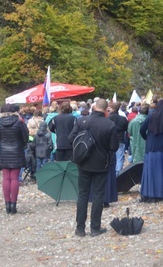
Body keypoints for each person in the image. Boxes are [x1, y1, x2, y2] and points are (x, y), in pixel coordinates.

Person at [70, 98, 118, 237]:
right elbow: (114, 147)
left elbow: (70, 138)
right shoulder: (109, 124)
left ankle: (80, 228)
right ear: (106, 109)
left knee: (83, 195)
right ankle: (95, 228)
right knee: (98, 196)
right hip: (101, 164)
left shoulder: (82, 121)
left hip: (84, 162)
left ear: (94, 107)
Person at [139, 98, 163, 202]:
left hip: (152, 147)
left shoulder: (151, 117)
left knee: (151, 172)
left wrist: (147, 138)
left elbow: (142, 129)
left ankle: (150, 193)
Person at [0, 104, 29, 214]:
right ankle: (13, 205)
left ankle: (7, 205)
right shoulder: (19, 122)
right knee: (14, 178)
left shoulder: (0, 122)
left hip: (4, 151)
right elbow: (25, 137)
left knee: (6, 178)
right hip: (16, 150)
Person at [107, 103, 129, 174]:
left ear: (112, 109)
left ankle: (111, 173)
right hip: (120, 140)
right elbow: (126, 128)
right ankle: (118, 175)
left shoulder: (107, 119)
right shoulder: (123, 119)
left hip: (109, 141)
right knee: (119, 159)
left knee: (110, 158)